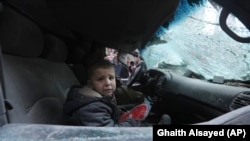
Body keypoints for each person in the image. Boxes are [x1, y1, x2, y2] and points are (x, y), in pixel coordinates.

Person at [63, 59, 150, 126]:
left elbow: (109, 111)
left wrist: (122, 114)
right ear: (90, 84)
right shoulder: (91, 108)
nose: (108, 83)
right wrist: (133, 121)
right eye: (100, 79)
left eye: (111, 78)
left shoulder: (101, 98)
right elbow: (111, 135)